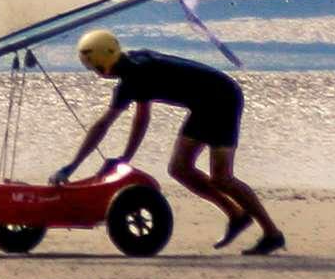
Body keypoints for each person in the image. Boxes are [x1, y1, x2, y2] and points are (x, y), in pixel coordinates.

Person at [54, 29, 285, 256]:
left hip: (223, 98)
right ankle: (236, 215)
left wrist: (73, 167)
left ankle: (272, 234)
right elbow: (132, 117)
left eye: (93, 68)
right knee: (180, 169)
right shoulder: (132, 66)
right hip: (203, 104)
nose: (94, 73)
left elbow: (117, 123)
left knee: (222, 178)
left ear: (103, 65)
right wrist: (118, 159)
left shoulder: (134, 76)